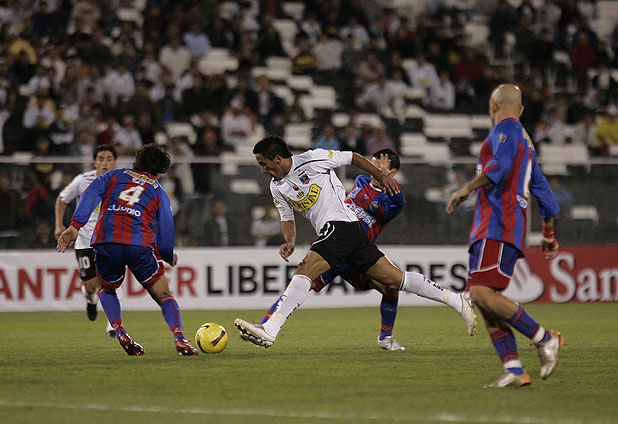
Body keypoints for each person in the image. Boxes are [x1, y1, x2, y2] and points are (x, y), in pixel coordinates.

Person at [234, 136, 477, 348]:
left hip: (340, 225)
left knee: (305, 272)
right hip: (350, 233)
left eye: (263, 164)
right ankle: (456, 299)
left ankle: (270, 329)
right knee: (396, 279)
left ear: (277, 159)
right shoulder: (276, 186)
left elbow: (353, 157)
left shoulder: (312, 159)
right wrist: (289, 240)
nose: (262, 170)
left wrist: (380, 175)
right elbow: (286, 217)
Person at [446, 84, 563, 388]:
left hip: (498, 224)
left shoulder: (507, 130)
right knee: (485, 299)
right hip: (498, 226)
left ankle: (544, 338)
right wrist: (548, 232)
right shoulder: (526, 141)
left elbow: (500, 166)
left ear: (492, 106)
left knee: (481, 294)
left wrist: (465, 188)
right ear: (521, 109)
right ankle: (513, 369)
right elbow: (542, 188)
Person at [260, 149, 412, 351]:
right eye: (372, 165)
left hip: (358, 254)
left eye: (378, 167)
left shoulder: (393, 199)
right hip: (336, 244)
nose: (372, 170)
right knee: (304, 281)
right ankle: (264, 326)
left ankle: (386, 337)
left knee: (391, 287)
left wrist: (382, 182)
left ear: (392, 172)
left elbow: (393, 204)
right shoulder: (361, 181)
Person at [57, 144, 198, 356]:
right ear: (161, 170)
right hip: (138, 245)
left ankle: (120, 331)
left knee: (107, 288)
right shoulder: (159, 191)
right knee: (163, 294)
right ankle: (180, 339)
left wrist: (75, 225)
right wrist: (167, 255)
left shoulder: (115, 175)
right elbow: (166, 230)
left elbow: (90, 194)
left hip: (105, 242)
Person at [55, 145, 118, 337]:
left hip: (110, 240)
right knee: (91, 285)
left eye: (109, 158)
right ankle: (90, 299)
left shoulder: (121, 182)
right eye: (101, 158)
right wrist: (59, 225)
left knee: (112, 281)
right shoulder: (82, 180)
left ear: (115, 162)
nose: (105, 163)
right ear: (95, 162)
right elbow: (62, 199)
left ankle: (113, 325)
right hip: (84, 240)